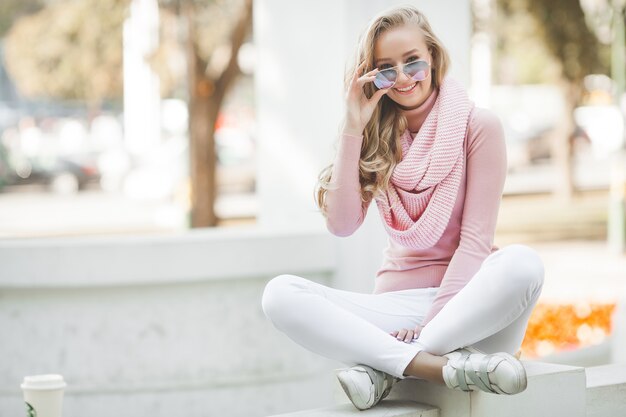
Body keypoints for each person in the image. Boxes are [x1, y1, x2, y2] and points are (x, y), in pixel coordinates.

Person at [261, 4, 545, 411]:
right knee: (280, 294)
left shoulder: (479, 126)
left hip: (469, 304)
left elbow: (475, 242)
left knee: (524, 264)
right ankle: (439, 367)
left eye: (413, 61)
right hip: (396, 310)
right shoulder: (374, 135)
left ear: (432, 56)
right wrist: (353, 125)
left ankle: (385, 369)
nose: (404, 77)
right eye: (387, 69)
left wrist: (426, 330)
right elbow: (341, 225)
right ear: (373, 76)